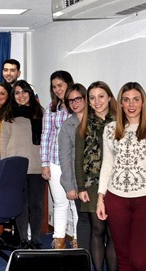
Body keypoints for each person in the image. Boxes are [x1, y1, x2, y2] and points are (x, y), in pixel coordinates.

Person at [97, 82, 146, 271]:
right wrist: (100, 198)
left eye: (136, 100)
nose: (131, 105)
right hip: (116, 199)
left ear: (143, 102)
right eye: (126, 100)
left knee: (140, 260)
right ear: (120, 103)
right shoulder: (110, 129)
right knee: (123, 259)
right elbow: (107, 165)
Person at [75, 81, 117, 271]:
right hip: (92, 184)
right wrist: (81, 187)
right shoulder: (83, 125)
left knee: (113, 233)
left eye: (101, 96)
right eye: (92, 97)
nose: (97, 101)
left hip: (116, 184)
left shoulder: (121, 123)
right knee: (98, 230)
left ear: (109, 97)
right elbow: (78, 159)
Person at [0, 80, 45, 248]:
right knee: (21, 204)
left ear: (30, 94)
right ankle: (24, 239)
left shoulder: (40, 113)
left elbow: (45, 140)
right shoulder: (8, 114)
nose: (21, 96)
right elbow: (3, 141)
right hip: (15, 166)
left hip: (36, 165)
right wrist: (5, 165)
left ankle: (36, 240)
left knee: (36, 205)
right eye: (17, 93)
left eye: (24, 92)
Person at [40, 70, 77, 249]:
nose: (57, 90)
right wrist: (44, 164)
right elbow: (46, 136)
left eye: (60, 85)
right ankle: (59, 241)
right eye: (54, 87)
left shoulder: (78, 106)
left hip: (74, 163)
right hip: (55, 162)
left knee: (75, 205)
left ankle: (77, 240)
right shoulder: (51, 108)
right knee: (60, 203)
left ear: (68, 84)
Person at [58, 83, 91, 252]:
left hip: (99, 181)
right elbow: (64, 157)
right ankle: (85, 258)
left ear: (85, 98)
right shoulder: (67, 125)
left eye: (78, 98)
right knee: (83, 219)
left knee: (102, 224)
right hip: (79, 182)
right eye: (71, 100)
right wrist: (70, 186)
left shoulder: (98, 120)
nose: (74, 103)